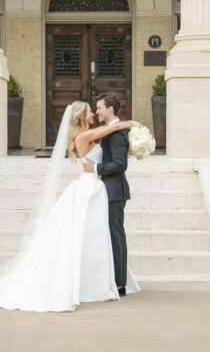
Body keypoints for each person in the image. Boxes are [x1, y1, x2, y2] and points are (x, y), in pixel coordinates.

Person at [0, 100, 140, 312]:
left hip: (94, 187)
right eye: (90, 111)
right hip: (89, 187)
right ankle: (93, 282)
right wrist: (130, 124)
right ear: (81, 117)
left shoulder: (86, 134)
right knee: (87, 234)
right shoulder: (85, 135)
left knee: (92, 235)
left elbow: (109, 134)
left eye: (96, 109)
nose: (94, 114)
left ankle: (94, 280)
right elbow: (111, 128)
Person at [82, 93, 130, 297]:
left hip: (115, 191)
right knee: (110, 235)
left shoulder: (117, 134)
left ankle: (120, 284)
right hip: (106, 190)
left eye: (100, 108)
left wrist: (96, 168)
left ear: (110, 109)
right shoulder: (109, 130)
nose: (97, 111)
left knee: (116, 235)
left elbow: (120, 164)